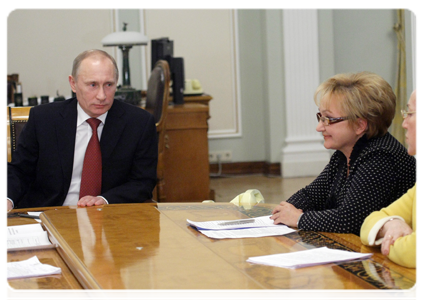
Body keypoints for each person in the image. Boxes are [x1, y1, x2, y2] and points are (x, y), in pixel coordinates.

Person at [5, 49, 158, 210]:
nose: (101, 95)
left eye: (109, 85)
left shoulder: (139, 123)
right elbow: (19, 170)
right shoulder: (44, 119)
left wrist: (105, 200)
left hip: (109, 217)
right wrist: (7, 198)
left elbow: (143, 182)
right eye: (92, 85)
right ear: (73, 84)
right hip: (50, 214)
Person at [270, 72, 419, 235]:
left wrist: (299, 218)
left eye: (328, 119)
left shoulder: (381, 156)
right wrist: (284, 212)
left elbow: (350, 221)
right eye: (320, 117)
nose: (319, 127)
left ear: (359, 125)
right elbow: (312, 195)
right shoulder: (345, 153)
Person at [360, 87, 420, 268]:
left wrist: (388, 240)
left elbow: (413, 252)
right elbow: (368, 223)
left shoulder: (382, 155)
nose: (403, 124)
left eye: (410, 113)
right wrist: (391, 225)